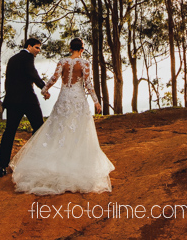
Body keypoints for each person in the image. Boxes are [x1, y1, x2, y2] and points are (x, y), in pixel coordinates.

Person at [8, 38, 114, 195]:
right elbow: (88, 84)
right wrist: (96, 102)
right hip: (78, 99)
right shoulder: (84, 64)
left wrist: (44, 90)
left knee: (58, 129)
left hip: (64, 98)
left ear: (70, 48)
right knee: (79, 130)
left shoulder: (62, 61)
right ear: (82, 49)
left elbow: (54, 78)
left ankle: (54, 162)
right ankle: (76, 162)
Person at [0, 37, 50, 177]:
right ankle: (32, 159)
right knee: (39, 128)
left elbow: (7, 81)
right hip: (27, 100)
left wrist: (8, 96)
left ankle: (2, 166)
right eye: (37, 47)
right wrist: (44, 88)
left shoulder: (12, 59)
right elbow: (33, 74)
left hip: (12, 100)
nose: (38, 51)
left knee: (9, 132)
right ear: (29, 46)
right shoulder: (28, 57)